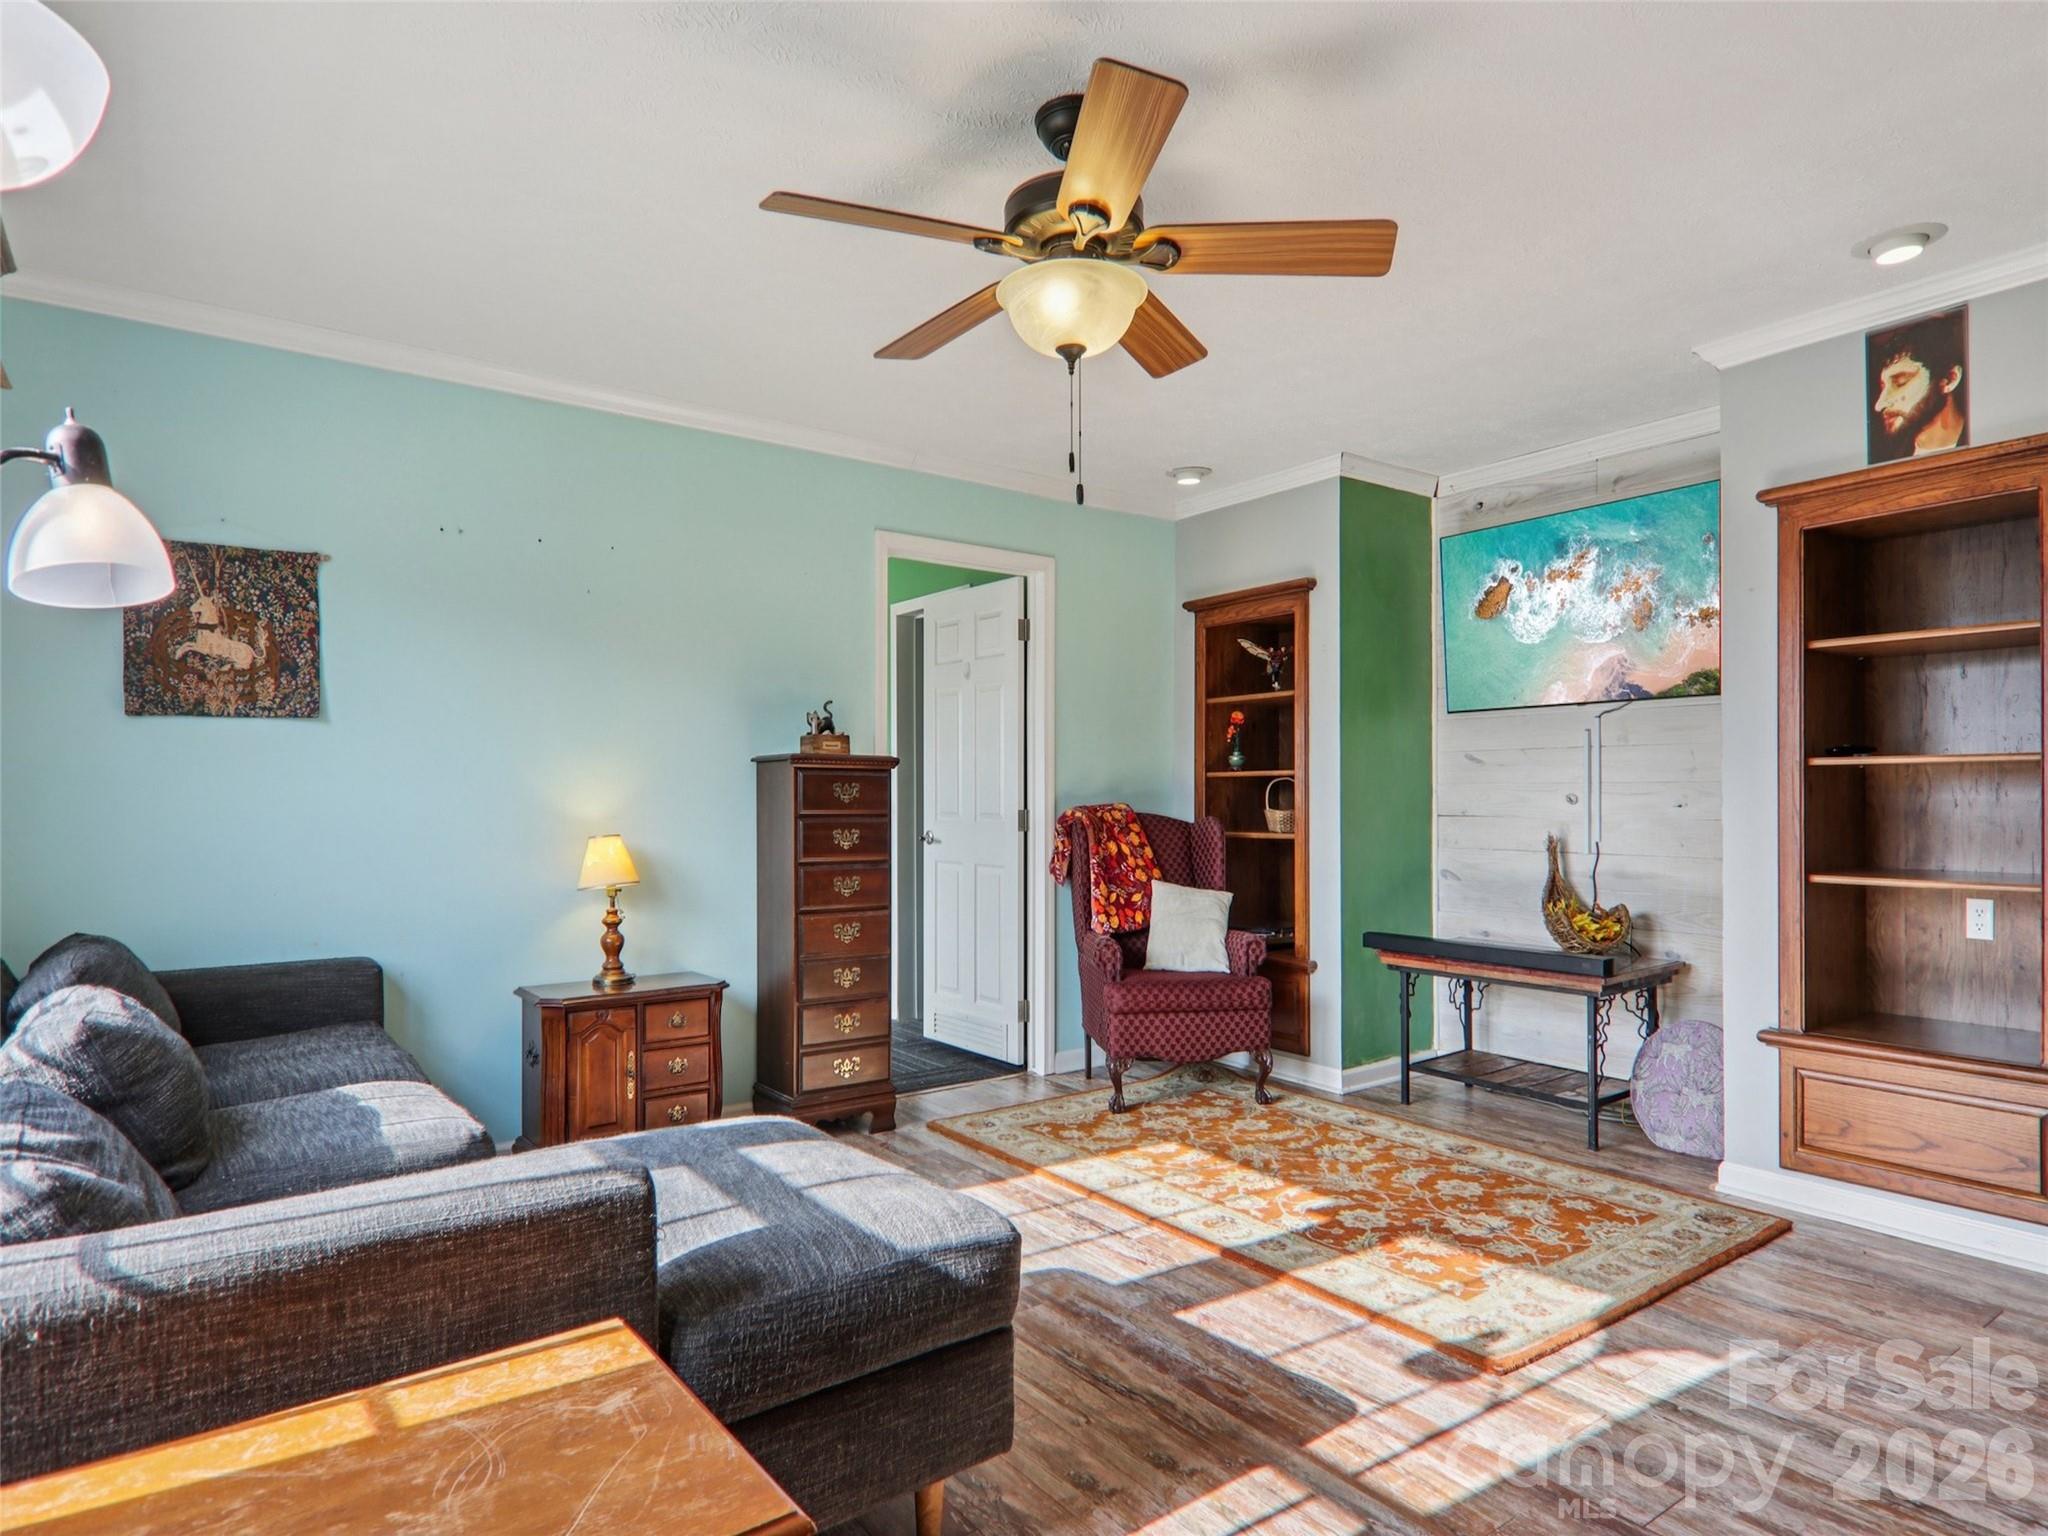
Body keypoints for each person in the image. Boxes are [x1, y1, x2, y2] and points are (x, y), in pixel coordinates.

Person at [1869, 313, 1968, 460]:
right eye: (1883, 387)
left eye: (1900, 382)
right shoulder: (1890, 459)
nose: (1879, 404)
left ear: (1949, 379)